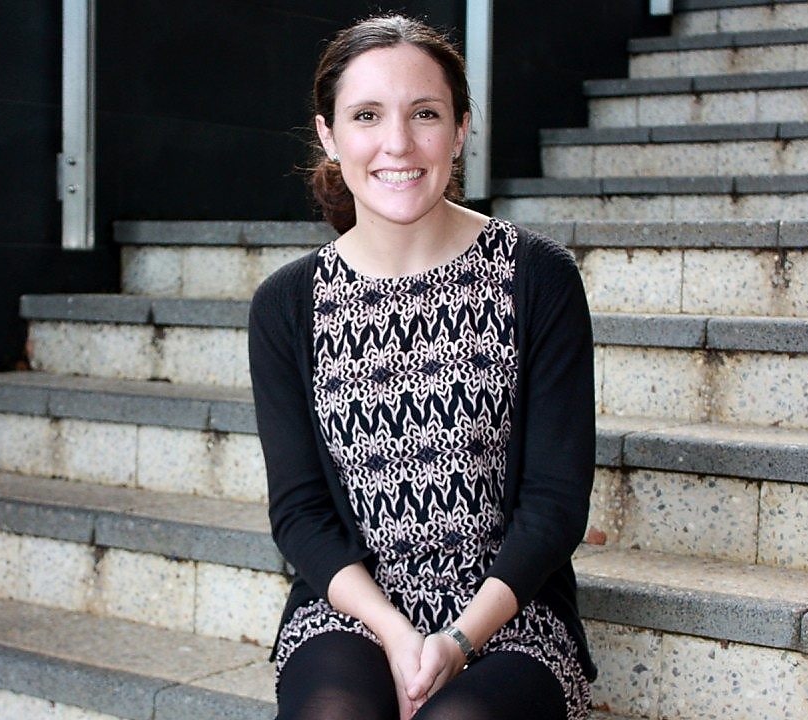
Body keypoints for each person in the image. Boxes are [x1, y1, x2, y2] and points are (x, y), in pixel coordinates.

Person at [248, 14, 597, 720]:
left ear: (461, 128)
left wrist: (458, 640)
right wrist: (397, 633)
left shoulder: (538, 278)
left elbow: (555, 503)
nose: (397, 144)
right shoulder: (289, 304)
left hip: (509, 615)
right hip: (351, 610)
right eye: (367, 115)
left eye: (425, 114)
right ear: (328, 133)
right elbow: (300, 513)